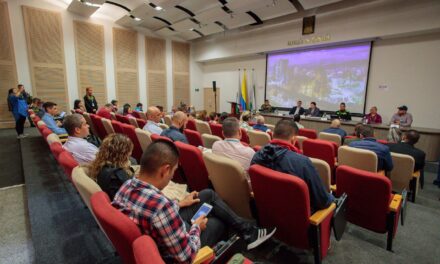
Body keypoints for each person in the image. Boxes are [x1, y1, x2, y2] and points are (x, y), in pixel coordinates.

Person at [112, 140, 276, 263]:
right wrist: (197, 227)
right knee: (217, 222)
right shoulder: (162, 206)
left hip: (158, 232)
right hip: (174, 252)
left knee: (207, 195)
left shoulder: (128, 184)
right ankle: (238, 242)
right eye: (173, 172)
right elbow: (186, 256)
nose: (171, 177)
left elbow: (152, 213)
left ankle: (248, 231)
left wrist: (180, 203)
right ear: (165, 169)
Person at [251, 119, 334, 211]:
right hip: (297, 216)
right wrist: (332, 196)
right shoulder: (302, 162)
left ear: (273, 135)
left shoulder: (257, 155)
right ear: (294, 139)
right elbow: (323, 201)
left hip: (266, 211)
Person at [89, 134, 134, 200]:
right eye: (129, 151)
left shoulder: (99, 165)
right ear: (123, 154)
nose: (130, 154)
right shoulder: (117, 175)